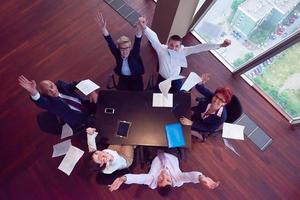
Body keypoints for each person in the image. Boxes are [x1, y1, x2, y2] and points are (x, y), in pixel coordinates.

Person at [138, 16, 231, 92]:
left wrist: (220, 45)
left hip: (176, 79)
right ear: (167, 43)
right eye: (171, 45)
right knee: (156, 96)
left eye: (176, 46)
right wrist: (145, 28)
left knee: (180, 96)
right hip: (162, 78)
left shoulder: (183, 51)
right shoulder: (161, 49)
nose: (173, 48)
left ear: (180, 46)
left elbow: (200, 47)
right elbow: (153, 38)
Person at [108, 152, 219, 196]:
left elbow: (138, 178)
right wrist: (202, 178)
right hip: (172, 152)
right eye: (168, 180)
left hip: (155, 154)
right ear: (172, 182)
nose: (164, 177)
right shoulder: (178, 180)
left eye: (160, 180)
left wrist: (122, 179)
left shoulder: (151, 181)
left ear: (156, 183)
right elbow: (191, 176)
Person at [18, 75, 98, 131]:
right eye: (48, 91)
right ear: (45, 94)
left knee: (106, 102)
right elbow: (39, 100)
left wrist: (91, 91)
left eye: (51, 86)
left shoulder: (62, 87)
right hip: (82, 123)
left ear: (54, 84)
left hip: (89, 107)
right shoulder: (50, 104)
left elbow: (79, 83)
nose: (52, 91)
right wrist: (33, 92)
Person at [95, 12, 145, 91]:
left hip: (136, 78)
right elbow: (110, 42)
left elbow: (138, 41)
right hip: (123, 78)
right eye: (122, 49)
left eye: (127, 48)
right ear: (119, 48)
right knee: (121, 96)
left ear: (130, 47)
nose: (124, 51)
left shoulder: (134, 54)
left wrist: (139, 28)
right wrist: (103, 28)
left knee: (137, 96)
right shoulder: (117, 54)